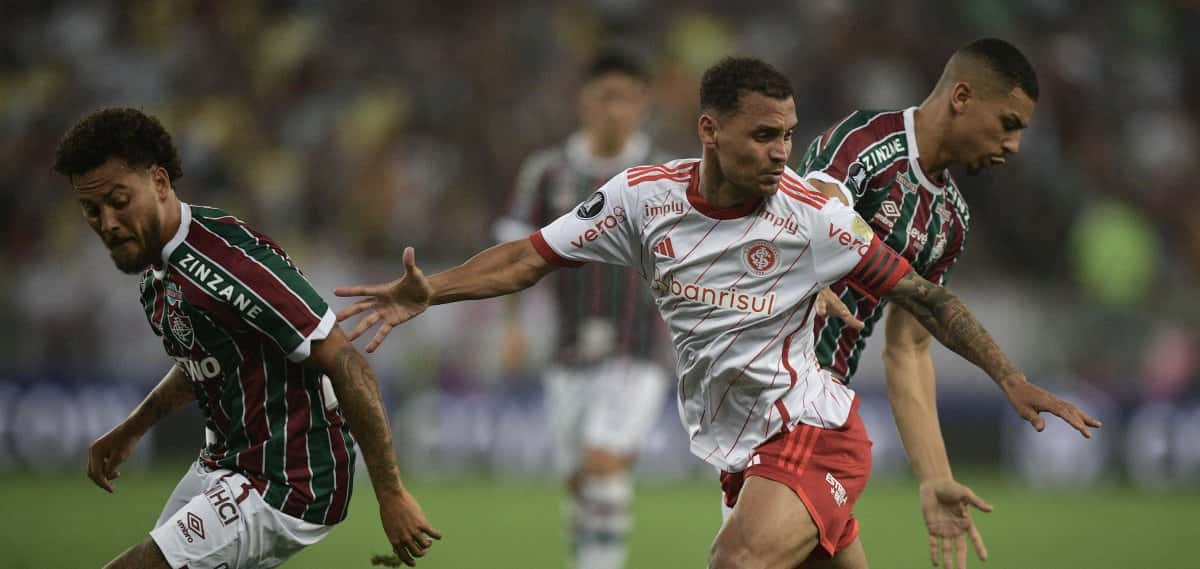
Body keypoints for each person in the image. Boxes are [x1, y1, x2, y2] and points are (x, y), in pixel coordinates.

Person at [335, 57, 1100, 569]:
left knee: (732, 560)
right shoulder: (643, 198)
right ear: (711, 130)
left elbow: (925, 298)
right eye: (764, 135)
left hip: (816, 429)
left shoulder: (813, 218)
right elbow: (530, 256)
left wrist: (1009, 375)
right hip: (740, 445)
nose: (780, 152)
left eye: (789, 136)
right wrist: (430, 288)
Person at [56, 108, 440, 569]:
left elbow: (345, 361)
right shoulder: (156, 275)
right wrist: (132, 427)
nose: (108, 222)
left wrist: (391, 493)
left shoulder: (231, 263)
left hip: (289, 481)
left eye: (119, 201)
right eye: (91, 209)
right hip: (226, 464)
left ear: (159, 183)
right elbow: (207, 360)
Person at [797, 37, 1043, 569]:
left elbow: (907, 351)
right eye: (1009, 123)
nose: (1015, 145)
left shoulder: (949, 220)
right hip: (778, 388)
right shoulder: (864, 143)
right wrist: (811, 263)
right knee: (749, 554)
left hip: (822, 402)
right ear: (961, 96)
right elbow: (817, 210)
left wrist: (935, 477)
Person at [494, 49, 670, 569]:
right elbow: (513, 252)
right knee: (580, 482)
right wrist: (511, 325)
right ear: (584, 102)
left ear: (642, 104)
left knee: (603, 462)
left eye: (625, 98)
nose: (614, 109)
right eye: (604, 97)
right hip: (567, 351)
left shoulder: (662, 173)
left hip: (637, 346)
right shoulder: (547, 173)